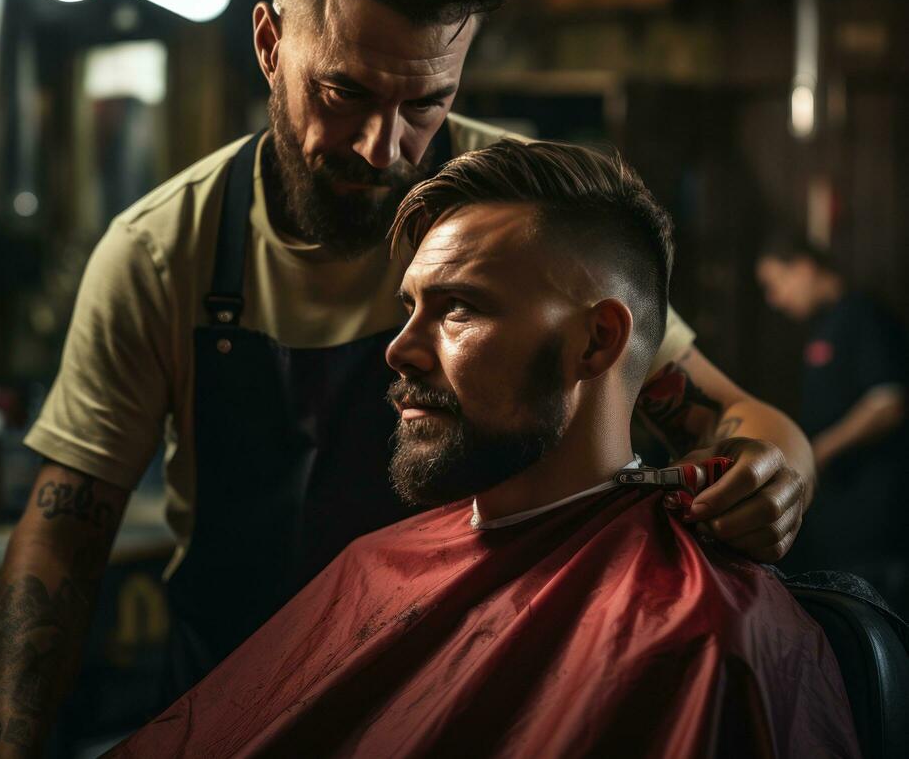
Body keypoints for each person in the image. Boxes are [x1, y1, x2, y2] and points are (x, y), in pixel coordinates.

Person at [0, 0, 814, 758]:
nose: (386, 149)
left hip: (467, 680)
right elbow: (61, 546)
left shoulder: (515, 216)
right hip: (236, 696)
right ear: (268, 44)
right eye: (347, 94)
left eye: (428, 104)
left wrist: (779, 467)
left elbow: (727, 413)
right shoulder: (159, 252)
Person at [110, 141, 859, 759]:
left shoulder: (702, 635)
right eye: (410, 308)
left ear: (596, 341)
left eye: (458, 309)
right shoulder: (378, 568)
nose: (399, 350)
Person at [757, 236, 908, 614]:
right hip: (838, 524)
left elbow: (888, 402)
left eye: (776, 284)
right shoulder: (825, 326)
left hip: (873, 523)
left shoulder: (862, 315)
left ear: (804, 267)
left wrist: (819, 452)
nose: (774, 299)